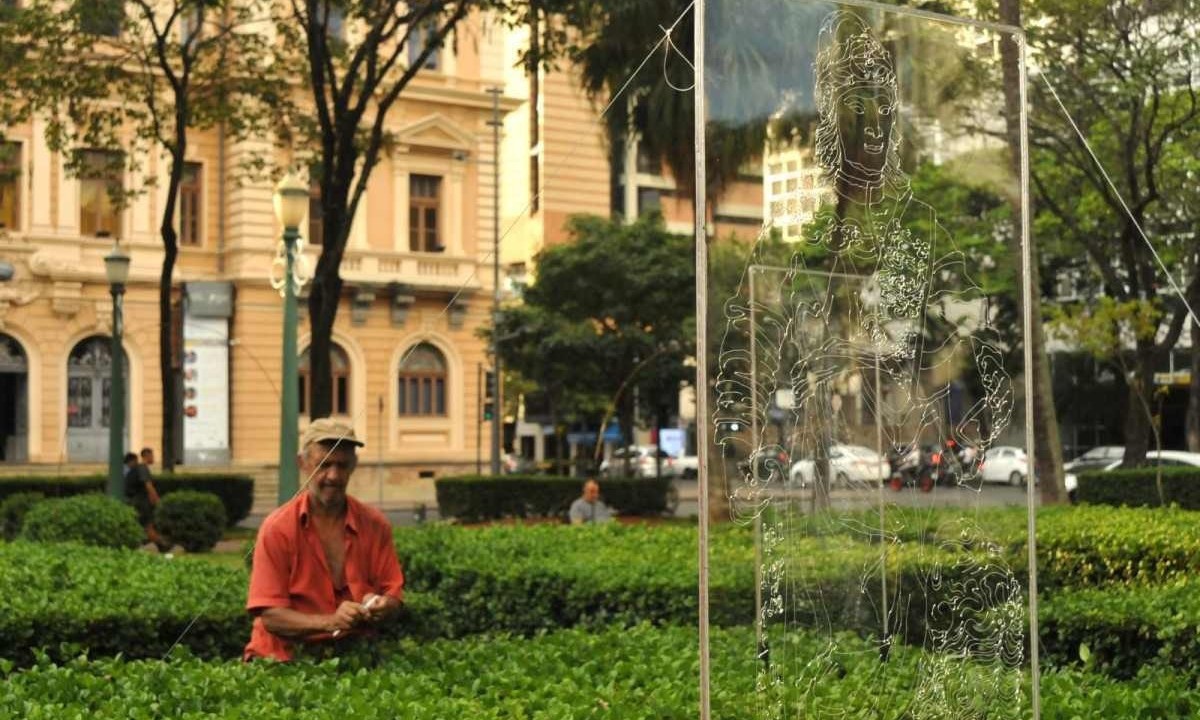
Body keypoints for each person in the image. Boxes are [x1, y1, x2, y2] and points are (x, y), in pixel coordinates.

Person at [244, 418, 404, 662]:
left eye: (342, 465)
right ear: (303, 464)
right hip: (282, 659)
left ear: (354, 465)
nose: (333, 476)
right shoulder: (277, 528)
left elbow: (393, 595)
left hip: (353, 658)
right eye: (324, 464)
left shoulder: (375, 524)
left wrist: (383, 606)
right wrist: (331, 622)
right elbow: (271, 616)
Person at [123, 451, 164, 548]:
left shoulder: (135, 470)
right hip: (141, 503)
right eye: (152, 455)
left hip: (135, 502)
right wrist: (157, 500)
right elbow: (148, 486)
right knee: (148, 526)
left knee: (142, 526)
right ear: (146, 456)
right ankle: (162, 546)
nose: (154, 458)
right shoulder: (142, 468)